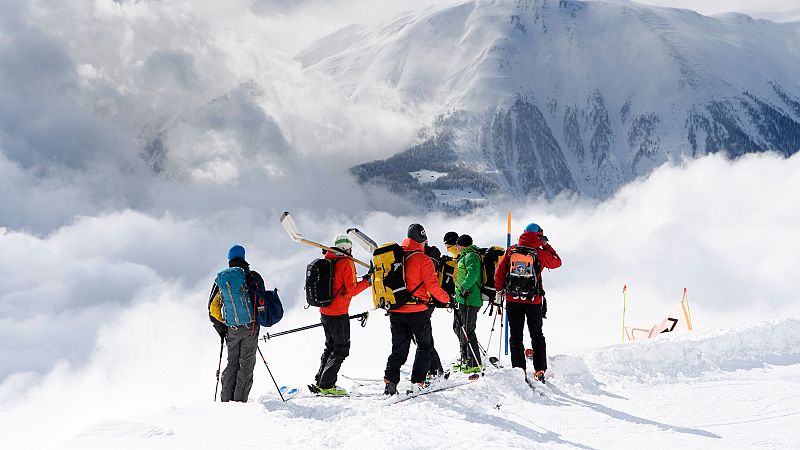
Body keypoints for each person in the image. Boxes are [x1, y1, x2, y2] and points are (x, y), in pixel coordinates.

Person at [383, 224, 450, 395]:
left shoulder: (394, 257)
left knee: (398, 349)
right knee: (424, 346)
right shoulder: (423, 260)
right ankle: (418, 382)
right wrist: (448, 299)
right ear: (422, 241)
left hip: (396, 310)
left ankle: (390, 382)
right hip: (417, 311)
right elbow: (433, 288)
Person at [494, 223, 562, 383]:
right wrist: (547, 246)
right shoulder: (539, 253)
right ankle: (539, 369)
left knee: (515, 336)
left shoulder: (512, 250)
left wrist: (500, 290)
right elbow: (557, 262)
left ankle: (519, 370)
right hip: (533, 300)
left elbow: (499, 272)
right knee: (536, 335)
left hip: (512, 299)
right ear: (539, 235)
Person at [313, 235, 371, 396]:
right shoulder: (346, 262)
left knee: (330, 346)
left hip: (325, 311)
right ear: (347, 248)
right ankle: (327, 385)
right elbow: (351, 290)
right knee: (341, 349)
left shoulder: (329, 260)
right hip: (338, 313)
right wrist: (368, 281)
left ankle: (321, 380)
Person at [208, 245, 265, 402]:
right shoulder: (251, 276)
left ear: (229, 259)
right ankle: (239, 402)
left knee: (232, 362)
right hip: (250, 327)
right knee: (246, 363)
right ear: (244, 258)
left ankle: (226, 400)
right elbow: (261, 300)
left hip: (232, 328)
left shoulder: (221, 279)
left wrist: (222, 329)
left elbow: (212, 308)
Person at [452, 234, 483, 373]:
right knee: (459, 328)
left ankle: (474, 362)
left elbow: (473, 273)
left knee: (468, 329)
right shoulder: (465, 256)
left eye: (457, 246)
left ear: (460, 245)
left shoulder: (471, 256)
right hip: (463, 298)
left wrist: (464, 287)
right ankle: (465, 359)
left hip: (471, 298)